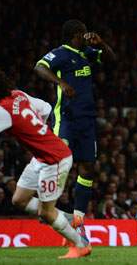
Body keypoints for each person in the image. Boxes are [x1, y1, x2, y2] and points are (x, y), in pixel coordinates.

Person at [0, 68, 90, 259]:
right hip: (41, 157)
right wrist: (38, 135)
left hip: (54, 160)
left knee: (45, 213)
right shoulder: (19, 95)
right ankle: (69, 219)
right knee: (19, 200)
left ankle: (80, 245)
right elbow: (47, 108)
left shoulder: (0, 111)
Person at [34, 19, 115, 234]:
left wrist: (101, 43)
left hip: (87, 121)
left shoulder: (87, 52)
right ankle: (45, 206)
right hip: (67, 119)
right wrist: (60, 82)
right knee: (59, 162)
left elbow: (111, 60)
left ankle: (78, 219)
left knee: (87, 167)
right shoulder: (61, 53)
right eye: (85, 34)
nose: (87, 37)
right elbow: (40, 66)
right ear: (76, 35)